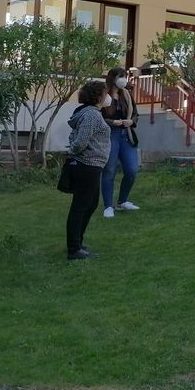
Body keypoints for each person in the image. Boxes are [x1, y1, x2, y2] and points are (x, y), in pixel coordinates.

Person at [64, 80, 110, 260]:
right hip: (87, 165)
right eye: (105, 93)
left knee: (90, 205)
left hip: (93, 165)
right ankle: (74, 249)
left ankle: (78, 243)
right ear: (98, 96)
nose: (108, 97)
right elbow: (81, 140)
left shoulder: (90, 113)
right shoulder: (91, 115)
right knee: (81, 206)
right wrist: (74, 152)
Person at [100, 67, 140, 219]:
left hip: (126, 135)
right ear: (113, 78)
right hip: (110, 135)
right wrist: (112, 122)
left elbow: (135, 113)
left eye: (125, 76)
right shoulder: (104, 95)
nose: (124, 79)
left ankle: (122, 201)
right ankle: (108, 206)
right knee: (109, 170)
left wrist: (132, 121)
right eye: (121, 76)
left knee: (132, 170)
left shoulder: (127, 95)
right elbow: (98, 116)